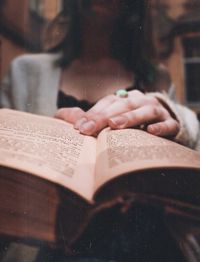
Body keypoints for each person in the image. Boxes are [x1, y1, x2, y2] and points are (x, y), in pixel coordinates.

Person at [0, 0, 200, 261]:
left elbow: (190, 149)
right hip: (54, 246)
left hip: (150, 244)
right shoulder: (25, 71)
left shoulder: (157, 76)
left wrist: (172, 114)